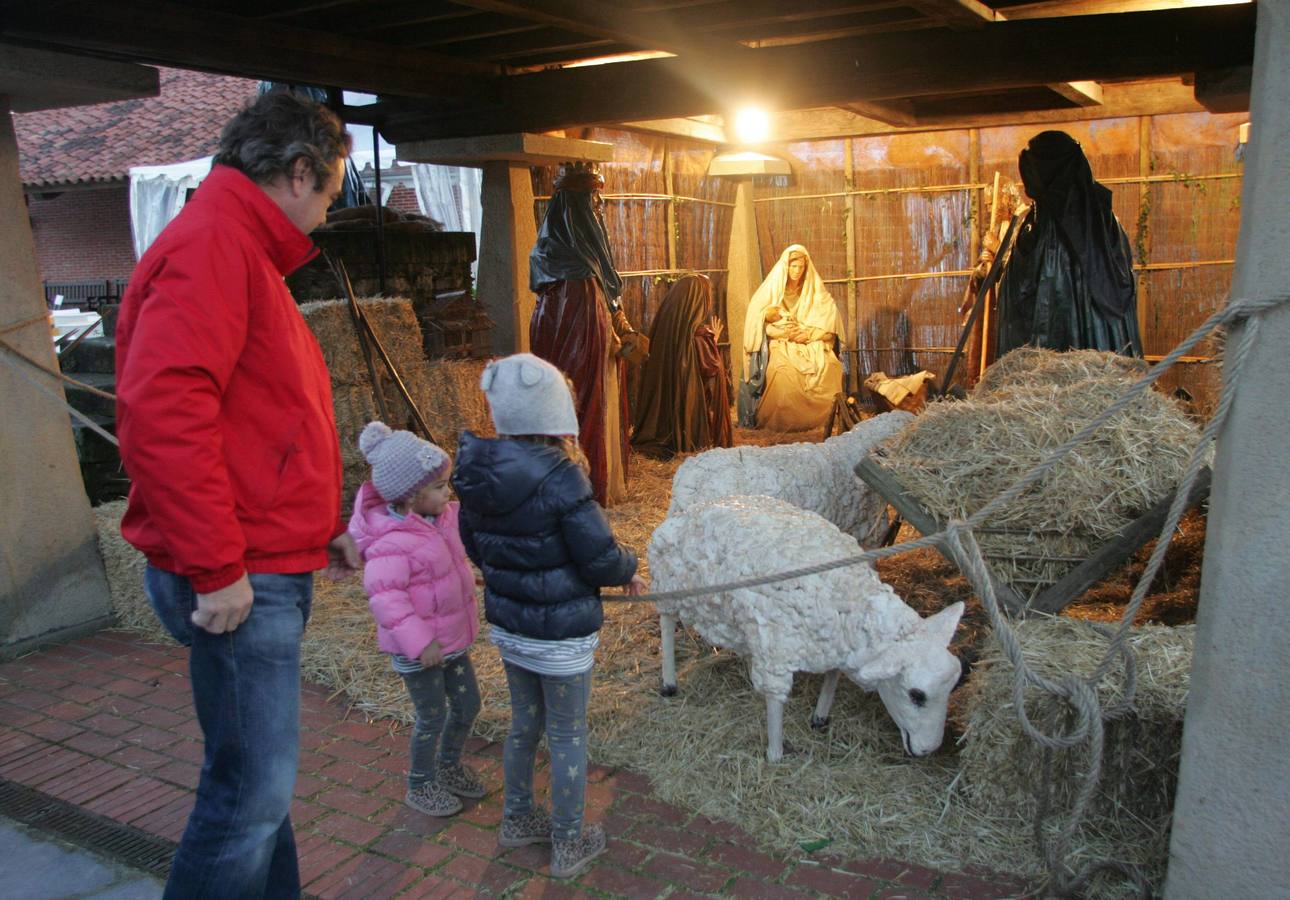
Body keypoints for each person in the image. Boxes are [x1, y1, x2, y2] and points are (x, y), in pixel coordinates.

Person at [114, 90, 361, 899]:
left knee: (260, 788)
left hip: (259, 554)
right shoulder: (217, 246)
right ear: (298, 173)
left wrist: (316, 524)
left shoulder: (234, 245)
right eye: (329, 192)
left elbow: (256, 418)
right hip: (238, 576)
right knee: (247, 796)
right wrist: (217, 566)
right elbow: (164, 410)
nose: (326, 213)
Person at [451, 353, 647, 879]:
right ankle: (567, 841)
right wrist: (628, 567)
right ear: (556, 415)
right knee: (567, 734)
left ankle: (517, 820)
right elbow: (599, 556)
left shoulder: (473, 471)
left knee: (524, 724)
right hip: (560, 637)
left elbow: (473, 545)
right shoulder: (563, 477)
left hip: (511, 629)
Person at [347, 421, 484, 818]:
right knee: (432, 715)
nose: (449, 492)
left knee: (467, 705)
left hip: (452, 640)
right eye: (440, 487)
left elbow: (442, 568)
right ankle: (421, 783)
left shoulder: (439, 521)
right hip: (420, 650)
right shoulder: (391, 542)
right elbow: (385, 598)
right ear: (411, 497)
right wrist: (420, 641)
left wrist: (465, 577)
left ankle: (449, 765)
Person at [529, 161, 648, 507]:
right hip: (582, 367)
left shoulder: (545, 259)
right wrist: (615, 338)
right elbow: (592, 343)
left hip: (557, 369)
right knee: (585, 404)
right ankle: (588, 482)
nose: (599, 209)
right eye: (594, 201)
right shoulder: (581, 277)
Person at [994, 130, 1143, 358]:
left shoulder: (1051, 223)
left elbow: (1025, 295)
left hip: (1069, 369)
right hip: (1096, 368)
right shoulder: (1100, 217)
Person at [738, 244, 844, 432]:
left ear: (806, 268)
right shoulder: (771, 292)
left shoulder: (814, 292)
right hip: (782, 342)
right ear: (785, 267)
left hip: (809, 342)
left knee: (830, 365)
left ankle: (821, 420)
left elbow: (830, 324)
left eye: (800, 267)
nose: (796, 271)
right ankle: (785, 423)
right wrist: (780, 329)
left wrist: (808, 334)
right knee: (782, 374)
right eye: (792, 266)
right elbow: (758, 320)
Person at [630, 273, 733, 457]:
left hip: (662, 427)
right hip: (688, 433)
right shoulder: (699, 335)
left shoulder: (665, 330)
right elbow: (711, 375)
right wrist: (712, 343)